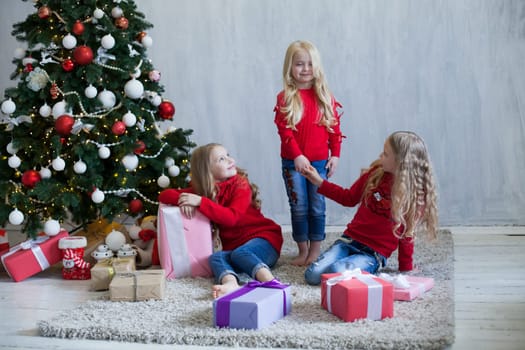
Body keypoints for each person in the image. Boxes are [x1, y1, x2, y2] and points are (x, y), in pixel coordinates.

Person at [300, 131, 438, 285]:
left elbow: (407, 234)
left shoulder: (413, 195)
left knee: (335, 272)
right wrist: (319, 181)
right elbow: (348, 198)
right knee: (312, 275)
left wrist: (405, 269)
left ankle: (355, 266)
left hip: (373, 254)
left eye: (385, 154)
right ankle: (344, 260)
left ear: (401, 162)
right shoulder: (375, 174)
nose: (380, 156)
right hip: (349, 241)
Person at [158, 143, 283, 298]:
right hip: (237, 250)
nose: (230, 160)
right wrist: (185, 200)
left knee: (240, 253)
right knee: (216, 257)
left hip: (265, 240)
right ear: (207, 171)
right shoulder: (204, 191)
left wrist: (199, 202)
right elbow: (164, 195)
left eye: (228, 155)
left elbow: (232, 218)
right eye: (221, 159)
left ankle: (272, 282)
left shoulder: (240, 185)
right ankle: (231, 283)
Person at [274, 40, 344, 266]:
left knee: (317, 204)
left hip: (320, 161)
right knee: (299, 205)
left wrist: (335, 155)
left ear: (317, 67)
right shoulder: (285, 98)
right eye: (299, 64)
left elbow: (334, 127)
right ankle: (302, 250)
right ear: (290, 68)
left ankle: (315, 249)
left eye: (310, 64)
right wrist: (297, 155)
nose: (305, 69)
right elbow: (285, 131)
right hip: (293, 162)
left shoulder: (324, 96)